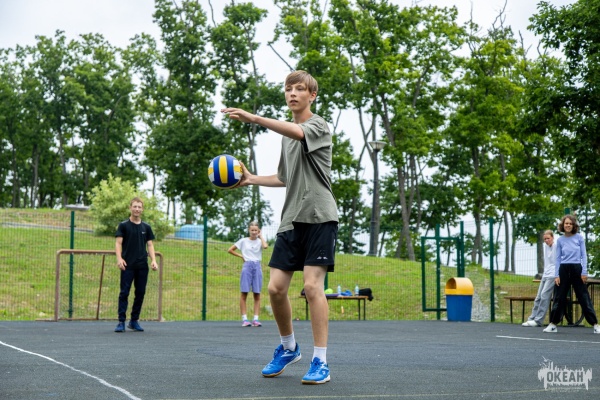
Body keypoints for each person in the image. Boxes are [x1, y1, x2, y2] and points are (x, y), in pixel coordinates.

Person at [221, 70, 338, 385]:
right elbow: (284, 178)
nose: (293, 93)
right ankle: (289, 348)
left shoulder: (318, 126)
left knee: (312, 287)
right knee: (274, 289)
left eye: (299, 89)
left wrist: (254, 118)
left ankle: (320, 360)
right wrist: (250, 179)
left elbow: (297, 132)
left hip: (320, 215)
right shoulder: (287, 138)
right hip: (291, 220)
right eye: (288, 89)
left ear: (312, 95)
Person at [543, 214, 600, 334]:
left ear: (573, 225)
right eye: (566, 223)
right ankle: (553, 324)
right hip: (563, 269)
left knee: (583, 296)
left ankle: (595, 324)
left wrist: (584, 271)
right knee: (559, 297)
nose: (568, 225)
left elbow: (584, 255)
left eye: (570, 223)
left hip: (576, 269)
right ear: (563, 225)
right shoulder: (560, 240)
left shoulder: (579, 238)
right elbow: (558, 258)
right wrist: (557, 275)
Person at [114, 197, 158, 333]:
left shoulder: (146, 227)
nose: (137, 209)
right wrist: (119, 259)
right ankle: (121, 321)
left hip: (142, 266)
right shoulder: (123, 225)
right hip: (127, 265)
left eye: (139, 207)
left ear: (142, 209)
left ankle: (134, 321)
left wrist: (153, 260)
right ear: (130, 208)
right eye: (135, 206)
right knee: (124, 293)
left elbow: (150, 245)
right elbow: (118, 243)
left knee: (140, 293)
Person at [227, 221, 268, 327]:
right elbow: (230, 250)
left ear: (258, 231)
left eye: (256, 230)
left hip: (257, 266)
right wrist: (241, 256)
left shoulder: (260, 241)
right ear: (249, 230)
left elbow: (265, 246)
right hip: (247, 266)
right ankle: (244, 319)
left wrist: (261, 236)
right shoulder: (243, 241)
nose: (254, 232)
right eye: (252, 230)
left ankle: (256, 319)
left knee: (257, 293)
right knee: (244, 292)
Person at [522, 230, 556, 327]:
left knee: (544, 296)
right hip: (545, 274)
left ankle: (538, 320)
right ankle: (532, 318)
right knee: (538, 297)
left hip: (553, 275)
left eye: (548, 238)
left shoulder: (556, 246)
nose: (546, 240)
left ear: (552, 238)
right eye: (545, 239)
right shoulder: (546, 247)